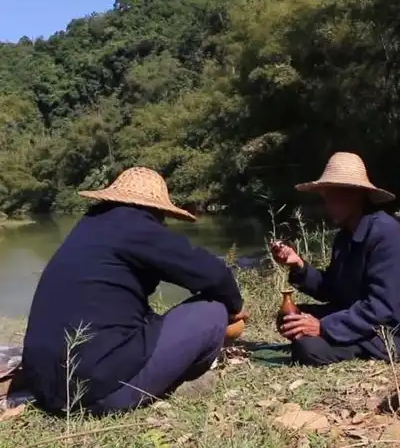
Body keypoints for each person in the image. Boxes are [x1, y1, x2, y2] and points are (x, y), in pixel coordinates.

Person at [22, 167, 247, 414]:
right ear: (156, 209)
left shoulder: (88, 227)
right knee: (212, 311)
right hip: (99, 391)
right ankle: (180, 377)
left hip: (45, 390)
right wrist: (235, 308)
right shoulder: (135, 226)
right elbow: (214, 274)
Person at [271, 152, 400, 366]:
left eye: (332, 197)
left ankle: (333, 344)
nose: (327, 204)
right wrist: (298, 265)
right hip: (355, 316)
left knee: (307, 347)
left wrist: (323, 327)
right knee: (290, 317)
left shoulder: (387, 235)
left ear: (354, 195)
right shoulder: (345, 236)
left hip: (389, 332)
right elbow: (333, 289)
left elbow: (379, 307)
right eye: (325, 197)